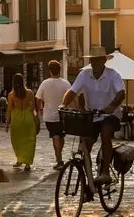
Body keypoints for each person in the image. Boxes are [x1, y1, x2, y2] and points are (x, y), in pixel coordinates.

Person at [61, 46, 125, 185]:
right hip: (93, 115)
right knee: (86, 142)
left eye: (97, 60)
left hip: (111, 115)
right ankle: (88, 180)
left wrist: (111, 106)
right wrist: (63, 104)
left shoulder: (113, 75)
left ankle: (105, 172)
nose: (94, 63)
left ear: (103, 61)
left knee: (105, 132)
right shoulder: (84, 75)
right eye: (92, 61)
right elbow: (72, 91)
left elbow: (121, 93)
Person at [36, 60, 72, 170]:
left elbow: (38, 99)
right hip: (64, 115)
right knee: (60, 136)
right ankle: (59, 158)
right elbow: (71, 97)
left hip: (50, 116)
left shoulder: (45, 83)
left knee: (55, 136)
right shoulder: (66, 83)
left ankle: (59, 160)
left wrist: (41, 109)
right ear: (59, 70)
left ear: (50, 71)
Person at [5, 74, 37, 171]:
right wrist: (36, 118)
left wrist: (7, 123)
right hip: (28, 117)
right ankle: (27, 163)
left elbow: (9, 109)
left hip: (16, 119)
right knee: (29, 140)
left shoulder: (11, 95)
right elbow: (32, 108)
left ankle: (19, 160)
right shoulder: (30, 92)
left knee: (17, 140)